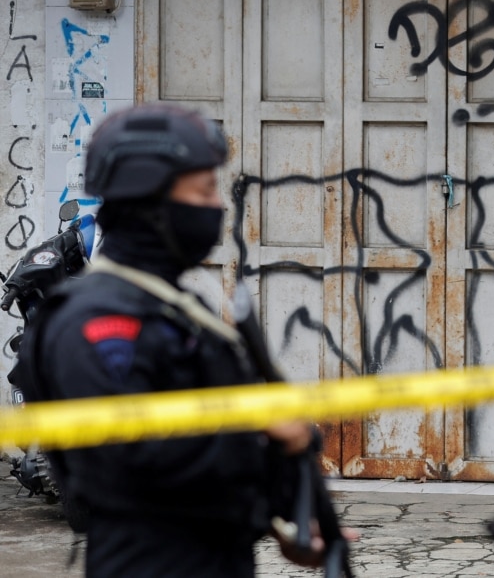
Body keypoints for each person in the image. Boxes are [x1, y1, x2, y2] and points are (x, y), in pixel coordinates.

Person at [14, 103, 333, 577]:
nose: (217, 206)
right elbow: (127, 461)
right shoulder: (96, 319)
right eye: (204, 191)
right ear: (152, 199)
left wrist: (281, 521)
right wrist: (263, 435)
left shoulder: (172, 305)